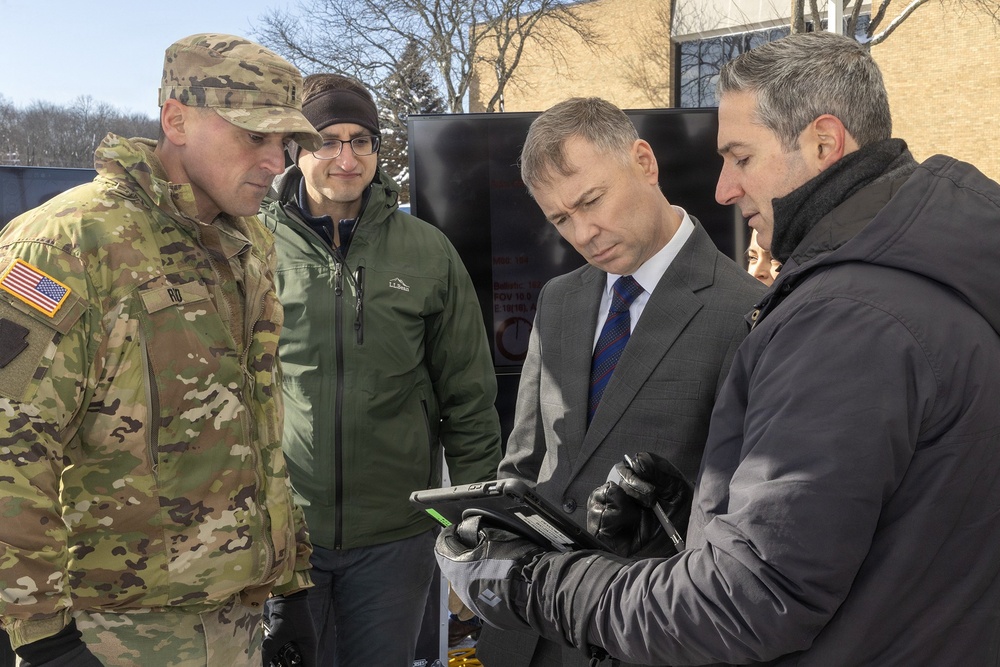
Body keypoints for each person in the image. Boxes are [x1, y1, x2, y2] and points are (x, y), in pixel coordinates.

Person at [435, 31, 1000, 665]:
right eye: (561, 219)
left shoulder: (820, 316)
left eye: (740, 157)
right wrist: (682, 520)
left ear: (824, 142)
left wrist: (533, 584)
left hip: (652, 632)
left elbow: (753, 593)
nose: (723, 187)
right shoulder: (908, 284)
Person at [0, 34, 324, 667]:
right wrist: (45, 639)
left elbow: (259, 430)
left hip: (236, 626)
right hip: (115, 634)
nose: (275, 160)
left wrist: (289, 590)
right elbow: (11, 447)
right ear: (176, 119)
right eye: (253, 136)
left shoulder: (247, 245)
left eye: (284, 142)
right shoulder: (65, 245)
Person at [469, 97, 764, 667]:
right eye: (559, 219)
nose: (583, 231)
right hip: (525, 632)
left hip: (646, 632)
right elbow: (524, 467)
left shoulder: (745, 312)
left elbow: (737, 522)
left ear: (644, 161)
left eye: (592, 200)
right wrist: (484, 542)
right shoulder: (560, 299)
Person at [257, 73, 502, 666]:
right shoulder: (250, 246)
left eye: (361, 140)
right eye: (328, 140)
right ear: (296, 148)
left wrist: (476, 526)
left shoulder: (427, 251)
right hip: (284, 537)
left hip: (397, 537)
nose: (347, 157)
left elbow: (467, 397)